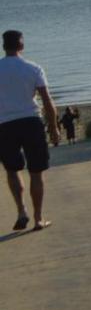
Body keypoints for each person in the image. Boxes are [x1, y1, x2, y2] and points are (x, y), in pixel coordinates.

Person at [0, 30, 59, 231]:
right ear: (21, 46)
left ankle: (21, 210)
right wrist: (54, 126)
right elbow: (47, 100)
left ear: (3, 46)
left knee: (12, 169)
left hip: (5, 124)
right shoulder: (33, 68)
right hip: (31, 122)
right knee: (36, 171)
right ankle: (38, 218)